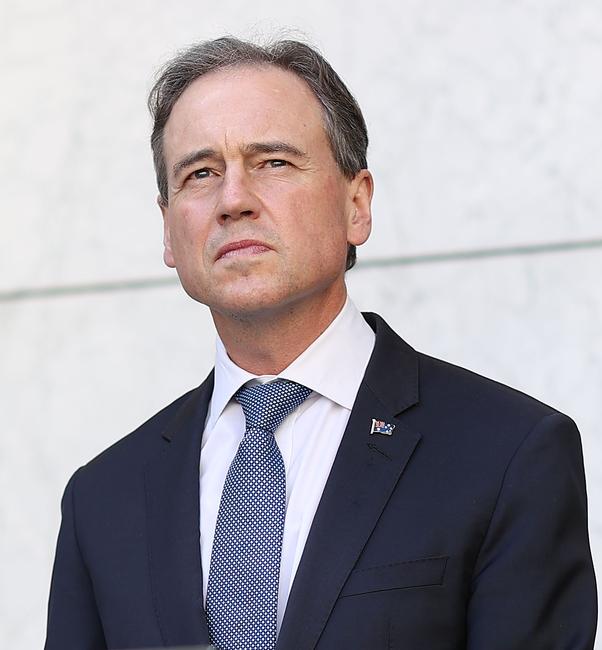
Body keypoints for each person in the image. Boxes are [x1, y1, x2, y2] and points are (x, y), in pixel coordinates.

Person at [45, 37, 597, 650]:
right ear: (169, 232)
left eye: (272, 162)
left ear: (356, 205)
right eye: (200, 173)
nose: (233, 200)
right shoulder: (103, 499)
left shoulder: (507, 455)